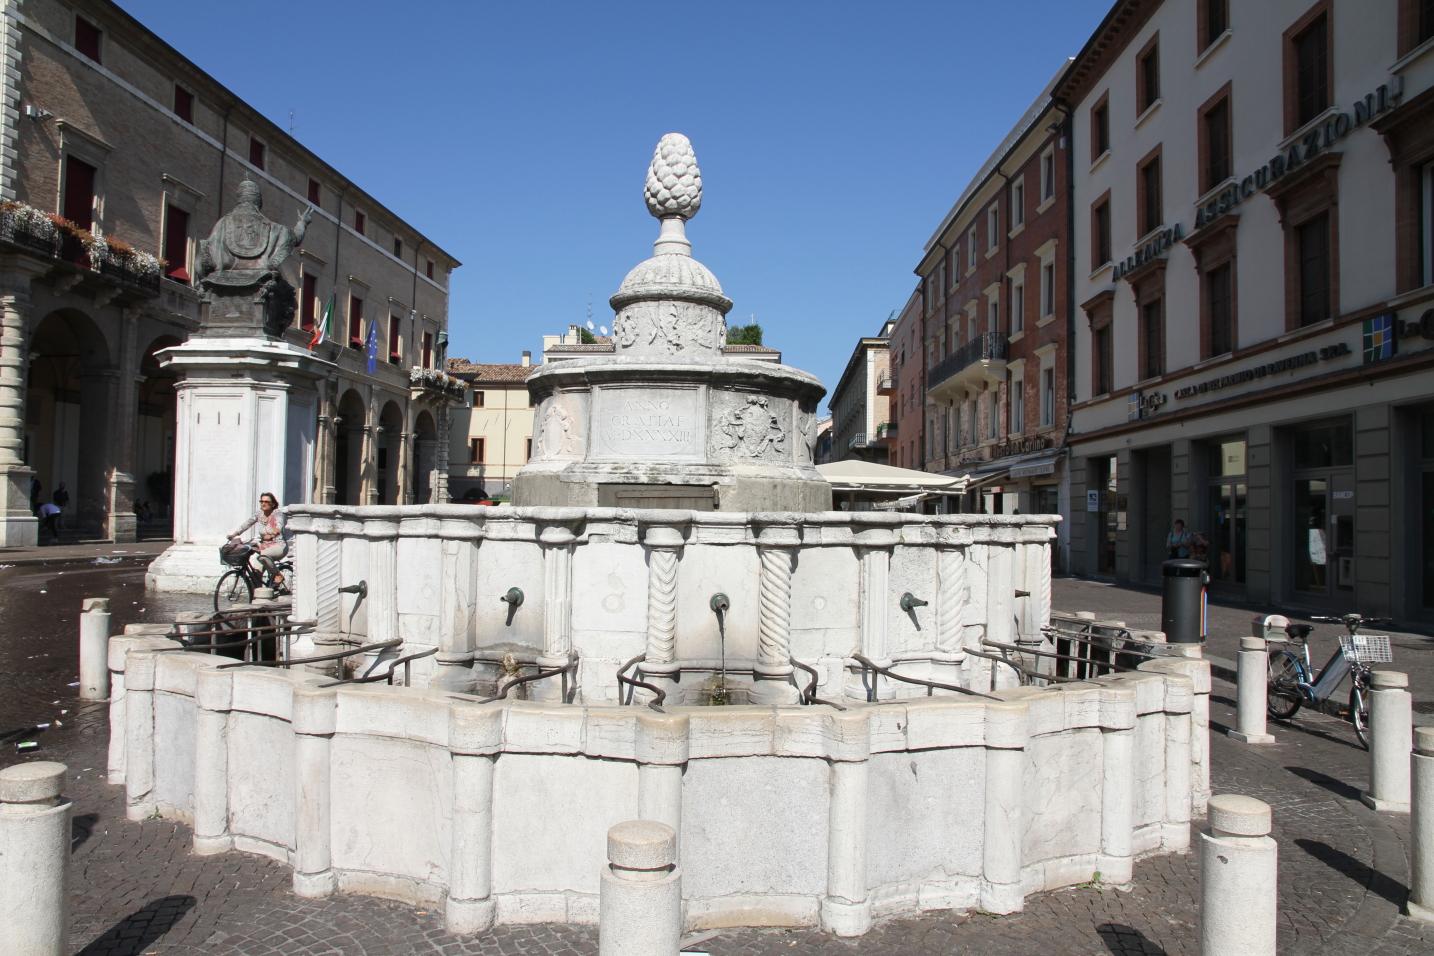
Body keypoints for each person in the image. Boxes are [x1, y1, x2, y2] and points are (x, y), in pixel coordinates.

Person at [228, 492, 289, 583]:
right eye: (261, 501)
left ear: (273, 504)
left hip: (279, 546)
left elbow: (279, 526)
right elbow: (247, 524)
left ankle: (277, 575)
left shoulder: (277, 513)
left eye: (266, 501)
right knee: (255, 575)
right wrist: (234, 534)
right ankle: (257, 594)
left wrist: (273, 534)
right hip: (264, 546)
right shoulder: (259, 514)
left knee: (263, 556)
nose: (263, 503)